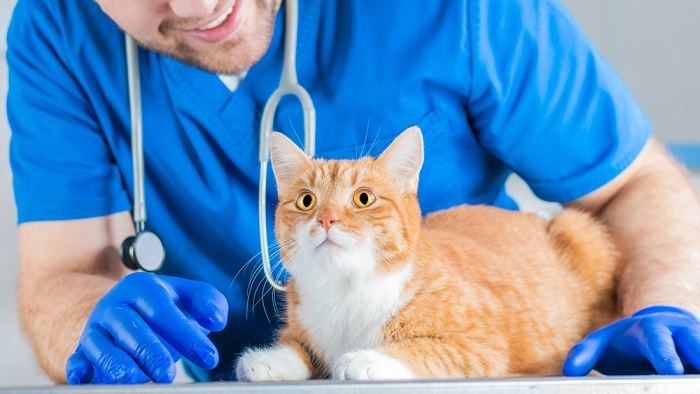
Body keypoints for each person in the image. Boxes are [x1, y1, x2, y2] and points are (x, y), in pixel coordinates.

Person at [6, 0, 700, 384]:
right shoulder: (54, 29)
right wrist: (89, 324)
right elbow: (61, 273)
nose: (195, 5)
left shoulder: (463, 10)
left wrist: (666, 305)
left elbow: (634, 185)